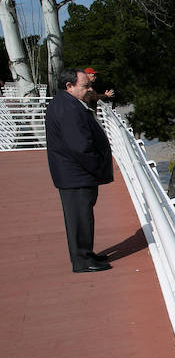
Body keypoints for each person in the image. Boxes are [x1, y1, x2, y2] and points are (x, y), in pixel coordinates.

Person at [45, 68, 114, 273]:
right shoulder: (68, 108)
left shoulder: (68, 103)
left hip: (77, 173)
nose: (89, 89)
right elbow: (80, 146)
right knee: (78, 217)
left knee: (84, 215)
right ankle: (82, 261)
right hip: (76, 174)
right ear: (69, 86)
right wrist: (98, 167)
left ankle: (86, 252)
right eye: (85, 86)